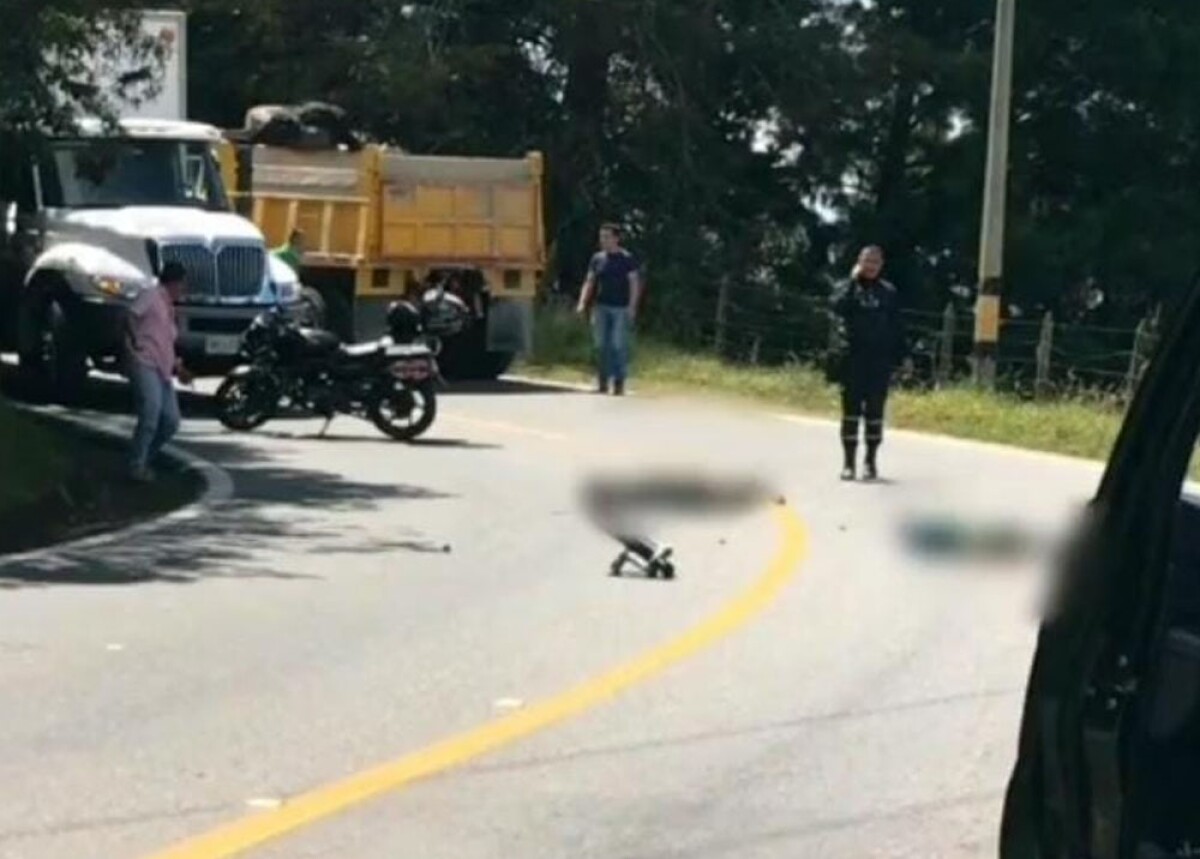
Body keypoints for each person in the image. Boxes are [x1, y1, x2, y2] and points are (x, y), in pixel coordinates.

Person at [828, 245, 907, 482]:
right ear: (859, 262)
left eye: (875, 262)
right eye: (866, 261)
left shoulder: (888, 292)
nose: (870, 266)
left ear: (881, 264)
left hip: (879, 362)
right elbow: (836, 307)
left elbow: (897, 327)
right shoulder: (847, 289)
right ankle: (848, 464)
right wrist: (852, 282)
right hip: (853, 359)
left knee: (874, 414)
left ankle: (870, 462)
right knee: (850, 413)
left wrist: (902, 357)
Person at [125, 261, 193, 482]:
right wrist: (134, 342)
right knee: (150, 414)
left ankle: (144, 457)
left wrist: (179, 368)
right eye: (182, 284)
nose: (183, 290)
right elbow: (131, 315)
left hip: (163, 369)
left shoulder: (169, 307)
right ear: (173, 282)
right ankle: (136, 465)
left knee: (171, 421)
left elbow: (167, 341)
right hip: (145, 362)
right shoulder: (152, 296)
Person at [576, 223, 642, 395]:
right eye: (601, 236)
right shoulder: (597, 258)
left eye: (606, 236)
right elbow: (589, 281)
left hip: (620, 308)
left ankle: (619, 382)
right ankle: (602, 382)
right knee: (600, 345)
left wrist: (632, 306)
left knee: (617, 345)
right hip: (601, 307)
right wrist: (583, 302)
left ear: (616, 238)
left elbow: (634, 283)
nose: (603, 240)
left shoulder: (627, 259)